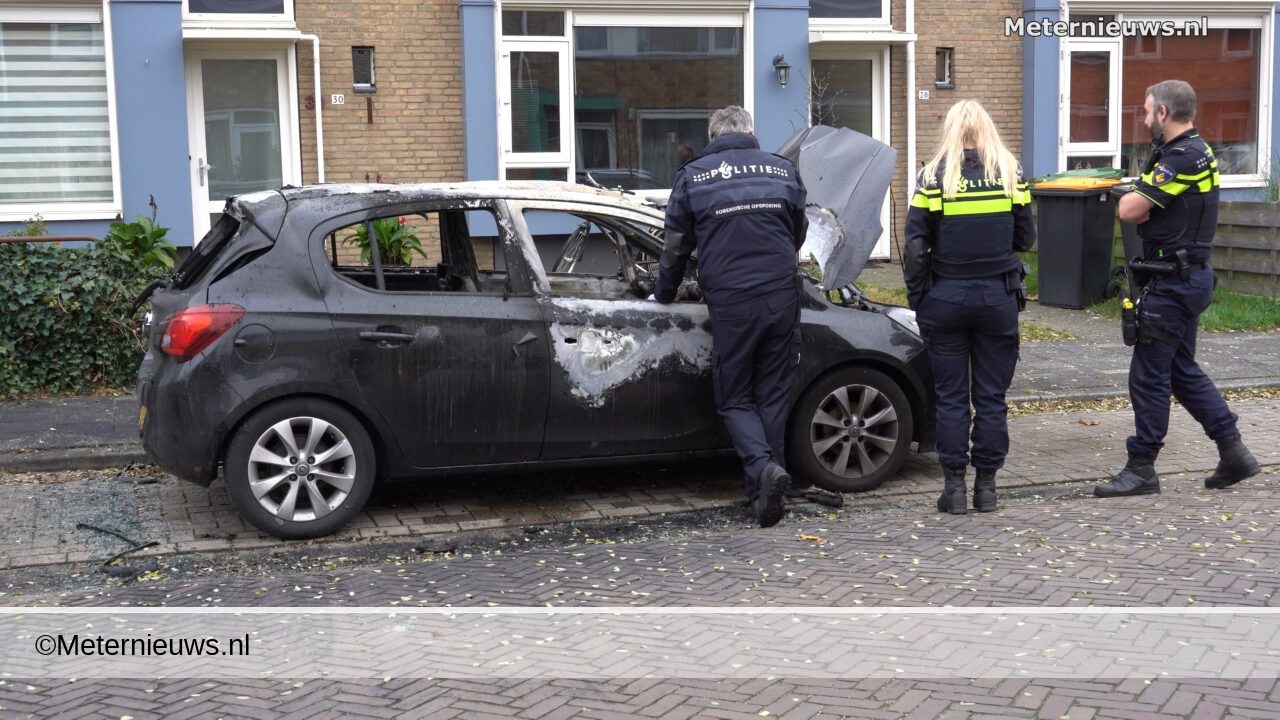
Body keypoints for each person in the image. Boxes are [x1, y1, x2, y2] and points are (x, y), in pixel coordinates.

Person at [1094, 80, 1260, 498]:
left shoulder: (1182, 158)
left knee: (1148, 377)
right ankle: (1233, 451)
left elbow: (1130, 210)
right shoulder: (1195, 151)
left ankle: (1141, 468)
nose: (1146, 119)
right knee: (1181, 372)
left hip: (1172, 283)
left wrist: (1137, 195)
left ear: (1164, 114)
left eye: (1149, 112)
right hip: (1186, 278)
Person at [651, 106, 808, 528]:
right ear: (750, 131)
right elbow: (798, 231)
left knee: (735, 396)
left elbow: (676, 247)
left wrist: (663, 293)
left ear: (712, 134)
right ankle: (764, 494)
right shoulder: (781, 169)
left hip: (732, 301)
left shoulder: (693, 175)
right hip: (780, 295)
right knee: (773, 394)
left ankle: (762, 470)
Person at [903, 99, 1034, 515]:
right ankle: (988, 489)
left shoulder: (933, 176)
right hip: (997, 298)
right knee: (992, 397)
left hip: (946, 298)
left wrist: (919, 299)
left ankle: (954, 489)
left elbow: (915, 247)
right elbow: (1025, 239)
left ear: (951, 130)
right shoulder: (1011, 173)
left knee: (952, 398)